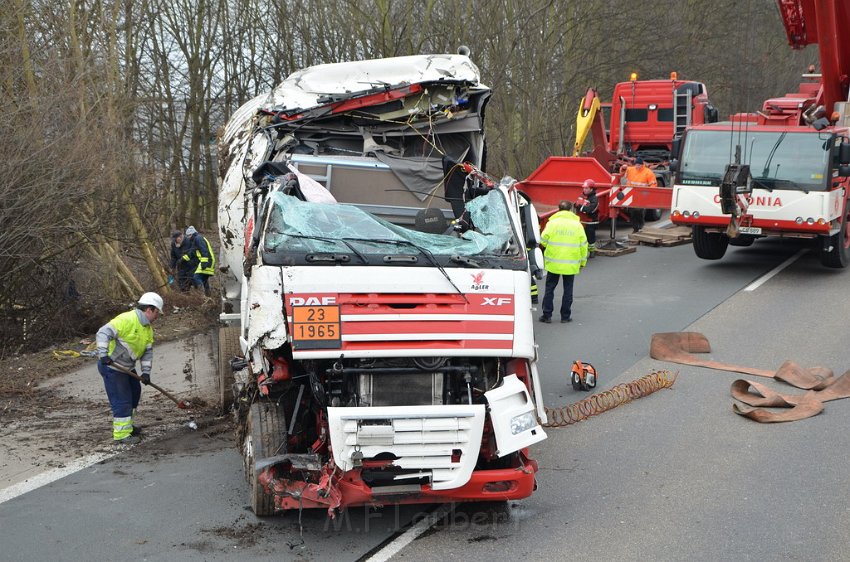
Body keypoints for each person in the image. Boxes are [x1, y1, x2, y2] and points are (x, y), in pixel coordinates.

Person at [96, 292, 163, 445]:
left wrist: (146, 372)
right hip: (113, 367)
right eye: (157, 312)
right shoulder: (127, 319)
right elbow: (103, 333)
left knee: (134, 393)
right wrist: (103, 354)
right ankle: (121, 435)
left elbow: (147, 352)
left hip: (127, 367)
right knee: (122, 399)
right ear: (149, 309)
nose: (158, 315)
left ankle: (127, 427)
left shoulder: (147, 328)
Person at [538, 201, 588, 324]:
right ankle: (565, 316)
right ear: (571, 210)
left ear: (558, 209)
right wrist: (582, 262)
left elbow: (543, 241)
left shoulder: (552, 223)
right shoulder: (577, 225)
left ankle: (547, 315)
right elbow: (583, 245)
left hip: (553, 262)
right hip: (571, 263)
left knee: (550, 289)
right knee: (568, 289)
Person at [622, 157, 657, 232]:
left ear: (642, 165)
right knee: (633, 212)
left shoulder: (648, 172)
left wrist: (649, 195)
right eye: (636, 165)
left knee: (640, 212)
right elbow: (622, 172)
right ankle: (635, 228)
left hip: (642, 195)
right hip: (631, 194)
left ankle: (640, 226)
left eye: (638, 165)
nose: (637, 166)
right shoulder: (631, 169)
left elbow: (653, 184)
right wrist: (623, 167)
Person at [185, 226, 216, 296]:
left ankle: (202, 295)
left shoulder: (198, 238)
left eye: (188, 236)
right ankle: (208, 296)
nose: (188, 238)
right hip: (208, 261)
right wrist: (183, 259)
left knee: (196, 277)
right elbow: (192, 253)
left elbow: (204, 250)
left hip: (207, 261)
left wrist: (204, 263)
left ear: (191, 234)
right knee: (204, 280)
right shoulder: (196, 239)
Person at [575, 179, 599, 258]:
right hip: (582, 221)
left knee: (590, 238)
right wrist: (578, 206)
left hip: (590, 222)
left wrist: (580, 207)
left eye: (586, 188)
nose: (584, 190)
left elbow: (590, 210)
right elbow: (576, 204)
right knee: (581, 238)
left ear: (591, 189)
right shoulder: (582, 196)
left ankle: (592, 251)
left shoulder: (594, 199)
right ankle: (582, 252)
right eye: (584, 188)